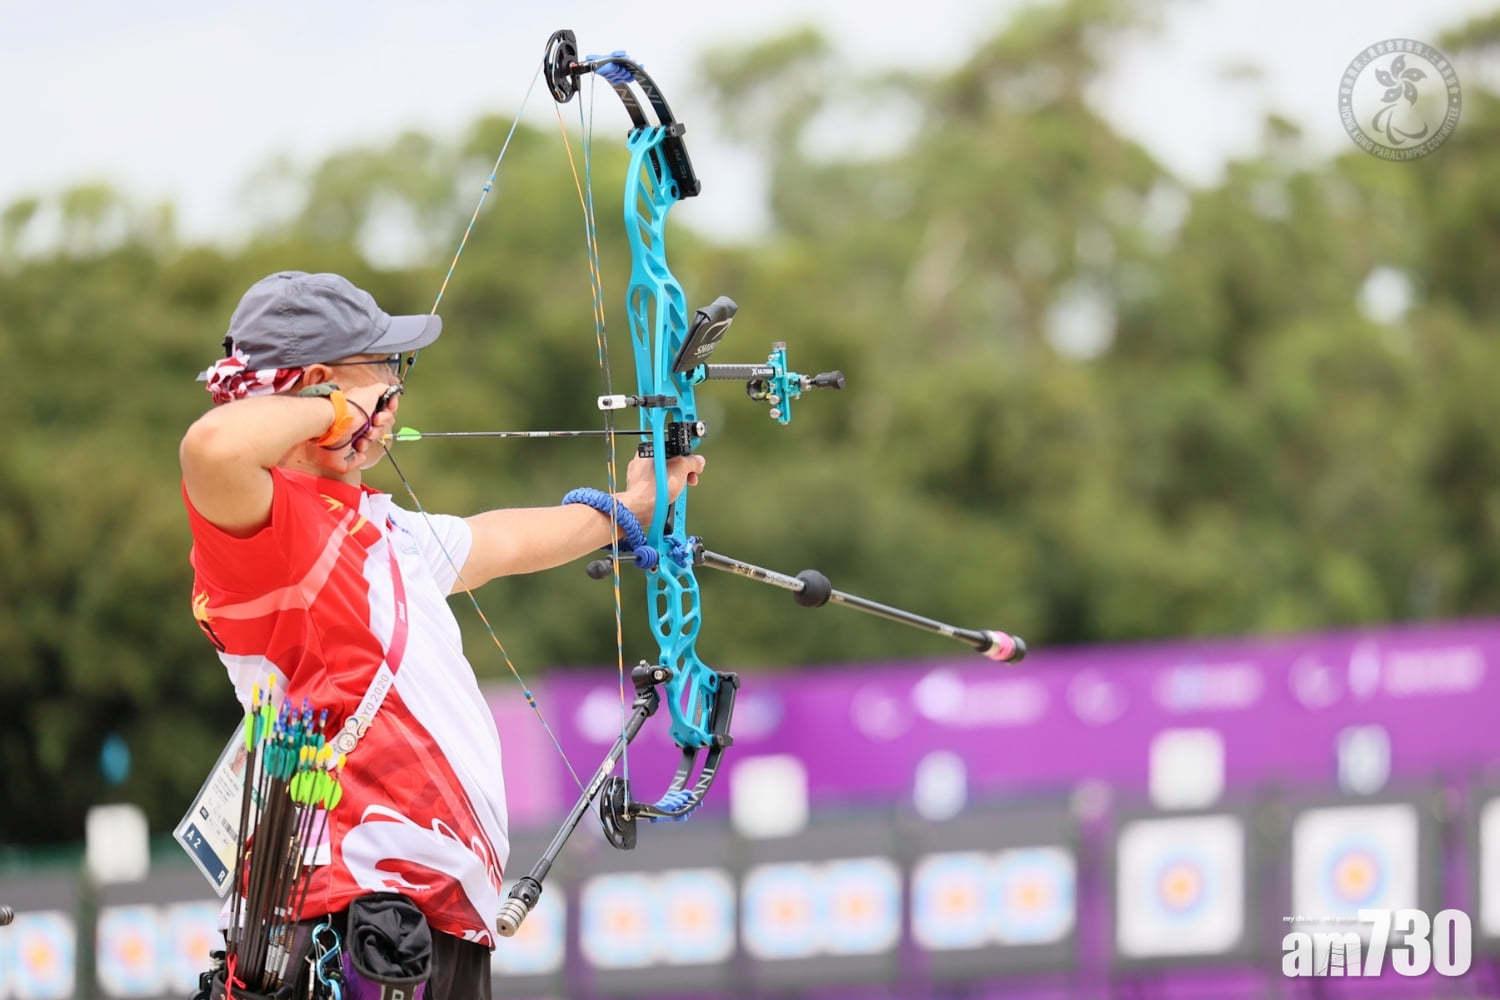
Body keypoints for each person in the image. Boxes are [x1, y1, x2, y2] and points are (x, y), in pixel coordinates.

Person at [180, 271, 704, 997]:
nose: (395, 400)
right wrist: (333, 406)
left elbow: (500, 543)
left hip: (431, 917)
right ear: (321, 389)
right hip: (354, 913)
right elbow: (211, 448)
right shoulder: (264, 533)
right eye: (382, 381)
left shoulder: (375, 529)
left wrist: (636, 504)